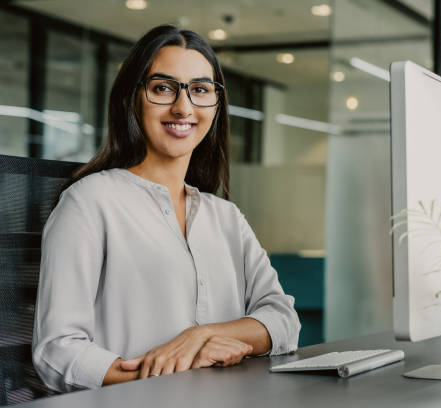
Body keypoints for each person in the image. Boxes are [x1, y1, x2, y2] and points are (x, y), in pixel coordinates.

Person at [32, 25, 300, 393]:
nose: (184, 107)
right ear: (133, 97)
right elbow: (56, 351)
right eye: (163, 88)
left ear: (216, 105)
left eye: (201, 90)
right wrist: (159, 378)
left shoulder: (225, 217)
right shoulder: (90, 202)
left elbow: (283, 320)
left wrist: (202, 336)